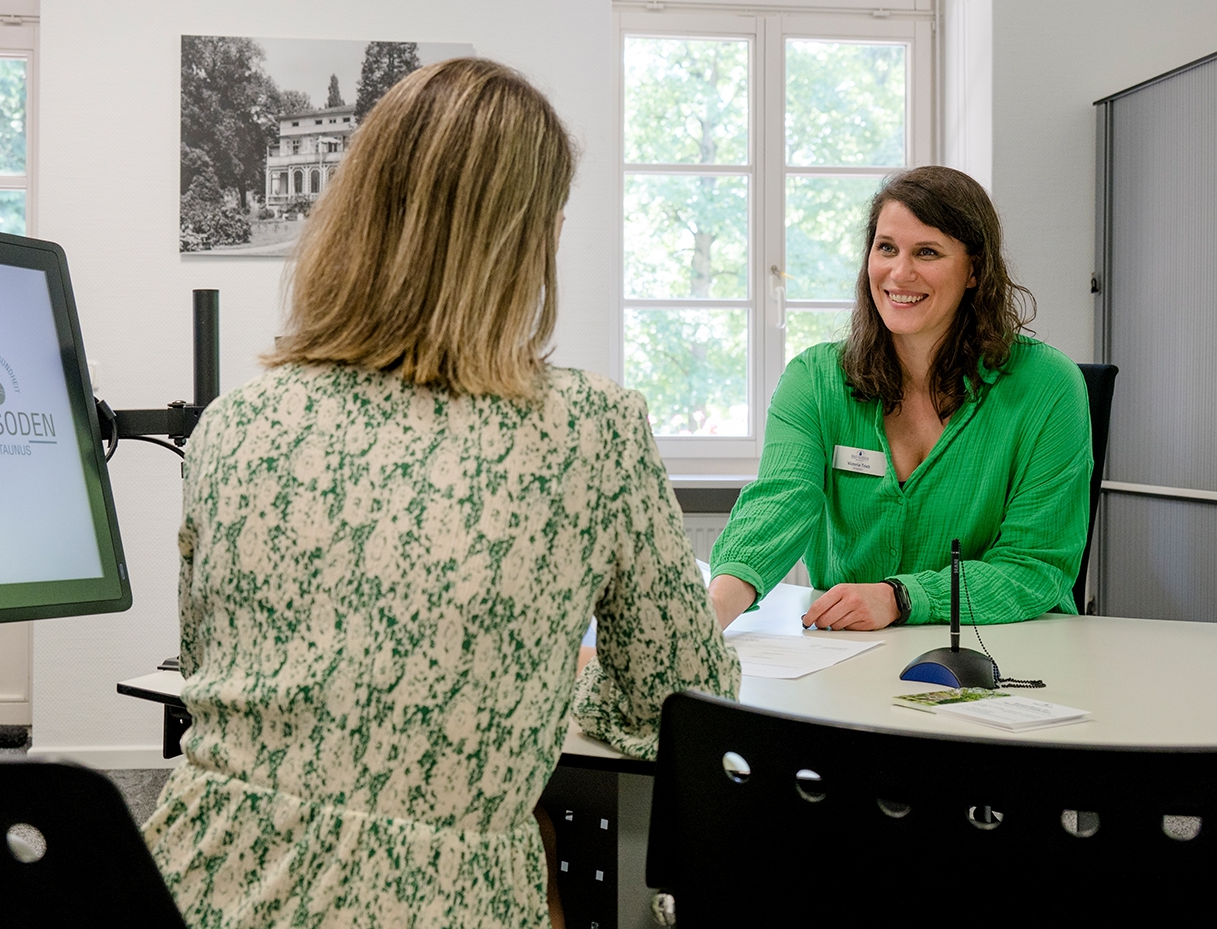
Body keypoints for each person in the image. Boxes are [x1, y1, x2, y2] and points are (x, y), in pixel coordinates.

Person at [142, 57, 737, 929]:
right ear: (528, 238)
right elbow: (676, 698)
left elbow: (211, 669)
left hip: (186, 886)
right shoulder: (592, 429)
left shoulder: (235, 422)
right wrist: (527, 693)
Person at [708, 166, 1092, 632]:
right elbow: (778, 504)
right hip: (849, 656)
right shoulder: (815, 379)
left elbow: (1035, 566)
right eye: (886, 248)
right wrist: (708, 614)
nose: (899, 272)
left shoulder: (1049, 387)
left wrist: (902, 598)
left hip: (1006, 658)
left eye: (927, 252)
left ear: (975, 270)